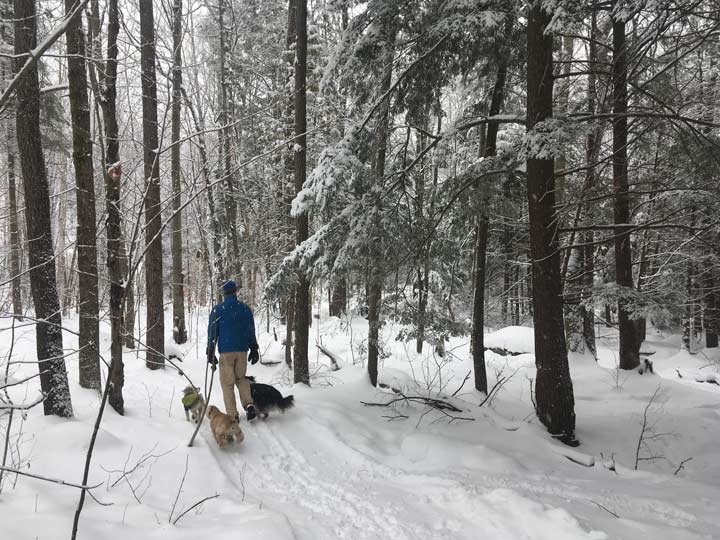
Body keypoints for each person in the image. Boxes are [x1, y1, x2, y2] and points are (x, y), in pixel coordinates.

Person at [207, 280, 260, 421]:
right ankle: (249, 404)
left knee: (227, 384)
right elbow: (251, 330)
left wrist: (210, 350)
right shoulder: (245, 309)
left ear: (224, 293)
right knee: (241, 379)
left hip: (226, 351)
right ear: (236, 292)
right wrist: (254, 347)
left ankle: (233, 415)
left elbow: (212, 332)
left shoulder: (218, 310)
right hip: (242, 350)